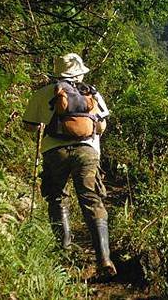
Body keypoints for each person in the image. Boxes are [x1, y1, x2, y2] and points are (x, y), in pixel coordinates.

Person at [22, 53, 117, 277]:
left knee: (57, 197)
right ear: (80, 73)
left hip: (55, 152)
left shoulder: (44, 93)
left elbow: (29, 126)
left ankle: (63, 253)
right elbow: (102, 127)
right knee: (92, 198)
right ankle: (104, 258)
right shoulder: (91, 92)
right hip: (87, 151)